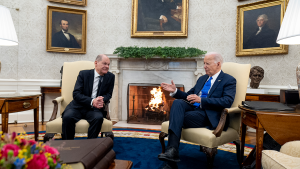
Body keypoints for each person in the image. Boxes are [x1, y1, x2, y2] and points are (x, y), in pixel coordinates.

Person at [158, 52, 236, 169]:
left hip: (209, 114)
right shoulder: (202, 78)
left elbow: (227, 101)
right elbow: (188, 96)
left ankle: (170, 162)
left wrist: (202, 100)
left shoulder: (228, 80)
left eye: (207, 63)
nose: (204, 66)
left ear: (218, 64)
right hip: (194, 110)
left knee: (176, 117)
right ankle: (172, 152)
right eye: (204, 63)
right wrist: (175, 91)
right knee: (177, 102)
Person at [62, 54, 115, 140]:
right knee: (68, 117)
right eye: (104, 63)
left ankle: (90, 145)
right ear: (96, 63)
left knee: (98, 118)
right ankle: (68, 145)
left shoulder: (111, 77)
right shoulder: (84, 74)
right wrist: (92, 101)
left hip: (95, 109)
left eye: (108, 64)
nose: (107, 66)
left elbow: (109, 94)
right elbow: (76, 94)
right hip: (77, 107)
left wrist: (101, 100)